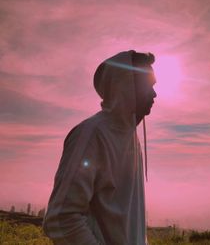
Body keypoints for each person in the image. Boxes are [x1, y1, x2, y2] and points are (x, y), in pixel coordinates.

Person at [42, 50, 157, 245]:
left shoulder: (132, 139)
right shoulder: (91, 135)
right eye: (148, 86)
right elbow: (61, 218)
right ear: (125, 86)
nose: (155, 94)